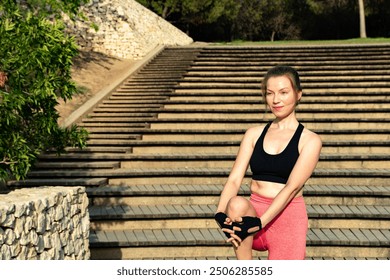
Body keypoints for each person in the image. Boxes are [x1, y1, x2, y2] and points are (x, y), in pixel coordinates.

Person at [214, 65, 322, 260]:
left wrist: (260, 223)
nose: (276, 100)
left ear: (298, 95)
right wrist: (220, 213)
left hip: (286, 218)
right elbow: (234, 180)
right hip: (253, 212)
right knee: (236, 203)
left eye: (283, 92)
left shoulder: (310, 140)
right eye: (269, 93)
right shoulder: (253, 134)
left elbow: (291, 188)